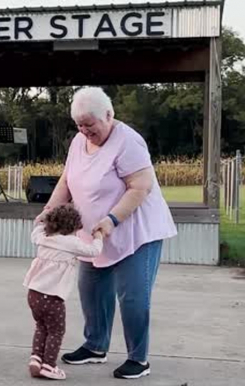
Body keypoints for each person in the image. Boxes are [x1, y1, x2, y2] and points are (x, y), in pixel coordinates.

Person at [35, 87, 177, 380]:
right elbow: (67, 180)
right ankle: (95, 345)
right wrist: (48, 211)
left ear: (109, 115)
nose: (85, 130)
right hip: (94, 232)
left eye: (90, 124)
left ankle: (138, 359)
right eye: (79, 125)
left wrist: (112, 220)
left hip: (135, 232)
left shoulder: (128, 141)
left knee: (133, 297)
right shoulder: (78, 141)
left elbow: (140, 187)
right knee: (91, 290)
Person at [24, 204, 103, 380]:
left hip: (33, 293)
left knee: (41, 326)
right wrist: (98, 236)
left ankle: (36, 358)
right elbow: (94, 251)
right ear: (73, 227)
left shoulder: (43, 236)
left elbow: (36, 226)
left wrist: (43, 216)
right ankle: (49, 366)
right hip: (52, 296)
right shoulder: (71, 242)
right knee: (56, 331)